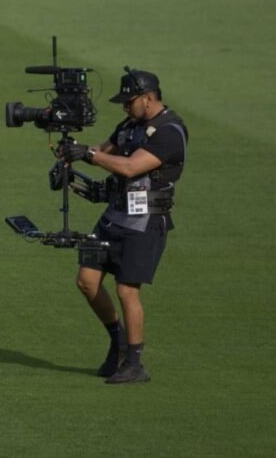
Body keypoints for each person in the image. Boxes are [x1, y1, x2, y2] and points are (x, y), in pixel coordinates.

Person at [58, 67, 188, 384]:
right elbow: (105, 150)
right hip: (115, 214)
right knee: (87, 281)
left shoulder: (170, 132)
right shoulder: (132, 124)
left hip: (146, 220)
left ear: (148, 98)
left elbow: (131, 167)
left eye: (129, 102)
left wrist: (88, 156)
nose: (124, 107)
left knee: (127, 289)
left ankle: (134, 362)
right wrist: (70, 152)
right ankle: (117, 341)